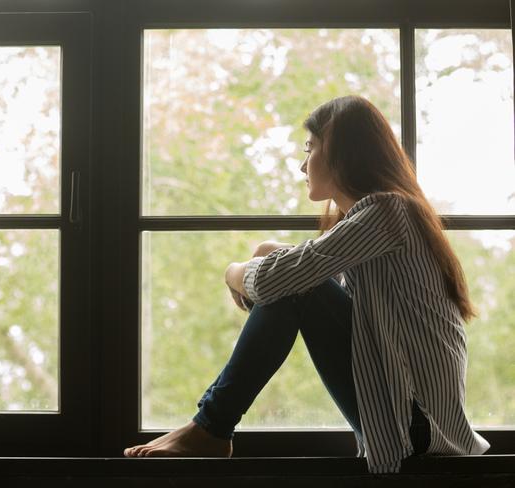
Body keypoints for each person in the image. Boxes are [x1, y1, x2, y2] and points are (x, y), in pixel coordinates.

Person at [123, 95, 491, 473]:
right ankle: (209, 428)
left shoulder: (387, 211)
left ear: (341, 152)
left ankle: (211, 428)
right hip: (408, 426)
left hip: (417, 432)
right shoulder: (386, 219)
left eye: (310, 148)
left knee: (295, 284)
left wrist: (234, 271)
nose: (302, 164)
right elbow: (310, 279)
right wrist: (267, 254)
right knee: (293, 280)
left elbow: (279, 282)